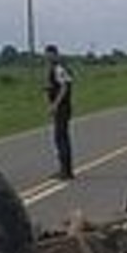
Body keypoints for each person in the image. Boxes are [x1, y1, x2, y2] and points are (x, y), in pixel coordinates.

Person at [44, 44, 75, 180]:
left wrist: (54, 105)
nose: (48, 57)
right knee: (61, 138)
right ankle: (65, 169)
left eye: (50, 55)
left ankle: (66, 171)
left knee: (61, 138)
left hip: (62, 107)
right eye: (47, 55)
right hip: (61, 107)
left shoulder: (59, 68)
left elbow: (64, 87)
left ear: (55, 54)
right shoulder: (55, 68)